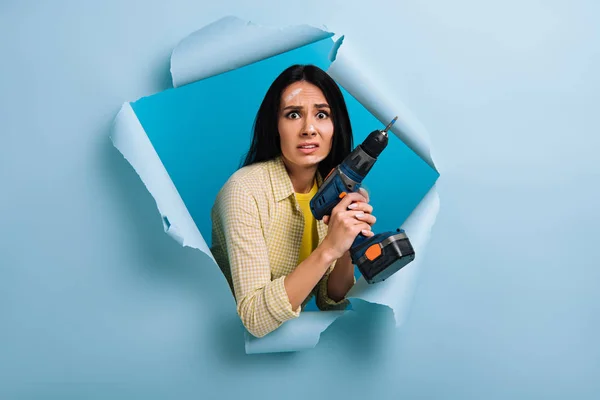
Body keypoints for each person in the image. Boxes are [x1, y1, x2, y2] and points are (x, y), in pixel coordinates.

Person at [210, 64, 377, 338]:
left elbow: (331, 298)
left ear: (336, 126)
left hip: (290, 350)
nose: (309, 129)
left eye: (321, 114)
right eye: (293, 115)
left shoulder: (335, 189)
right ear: (275, 125)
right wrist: (328, 250)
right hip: (227, 346)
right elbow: (254, 318)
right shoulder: (244, 190)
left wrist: (347, 243)